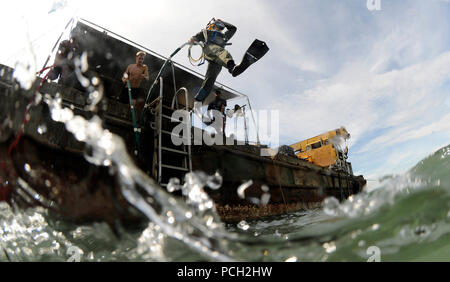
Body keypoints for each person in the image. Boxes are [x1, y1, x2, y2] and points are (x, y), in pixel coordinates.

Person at [189, 18, 239, 102]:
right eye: (217, 26)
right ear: (211, 25)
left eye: (220, 28)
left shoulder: (224, 36)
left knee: (211, 78)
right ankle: (231, 66)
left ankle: (200, 98)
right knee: (220, 51)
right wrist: (192, 40)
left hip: (219, 59)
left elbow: (233, 28)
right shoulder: (206, 32)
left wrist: (223, 22)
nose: (219, 29)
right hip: (211, 49)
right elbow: (195, 38)